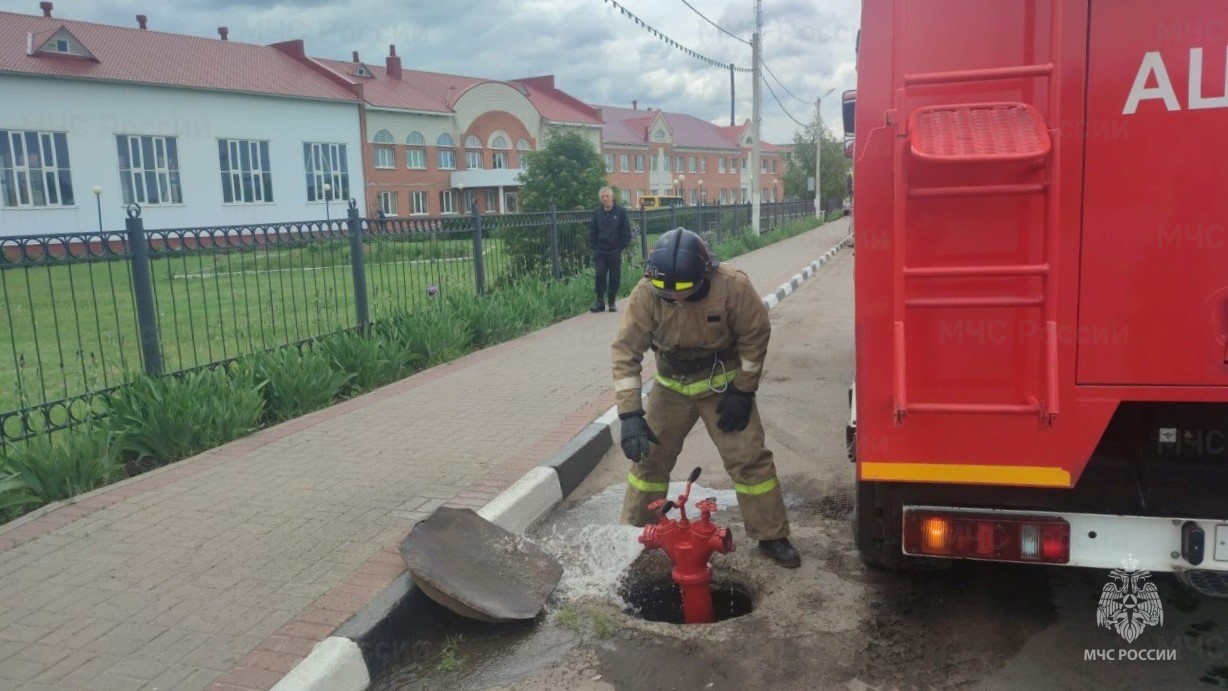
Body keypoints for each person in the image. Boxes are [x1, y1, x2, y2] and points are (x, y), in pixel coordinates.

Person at [609, 227, 801, 568]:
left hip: (721, 384)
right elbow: (626, 352)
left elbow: (755, 337)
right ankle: (637, 534)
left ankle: (772, 534)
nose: (675, 297)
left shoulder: (733, 286)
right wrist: (630, 415)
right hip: (669, 386)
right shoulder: (647, 294)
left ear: (704, 273)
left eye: (684, 290)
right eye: (667, 292)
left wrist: (743, 389)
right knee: (648, 461)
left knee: (749, 458)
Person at [588, 186, 632, 313]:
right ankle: (600, 302)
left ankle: (612, 301)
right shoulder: (597, 213)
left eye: (607, 196)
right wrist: (594, 246)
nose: (605, 198)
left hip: (614, 250)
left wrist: (621, 246)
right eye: (602, 197)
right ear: (600, 199)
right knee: (599, 275)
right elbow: (593, 230)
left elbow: (626, 231)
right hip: (600, 250)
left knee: (614, 277)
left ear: (612, 197)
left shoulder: (621, 212)